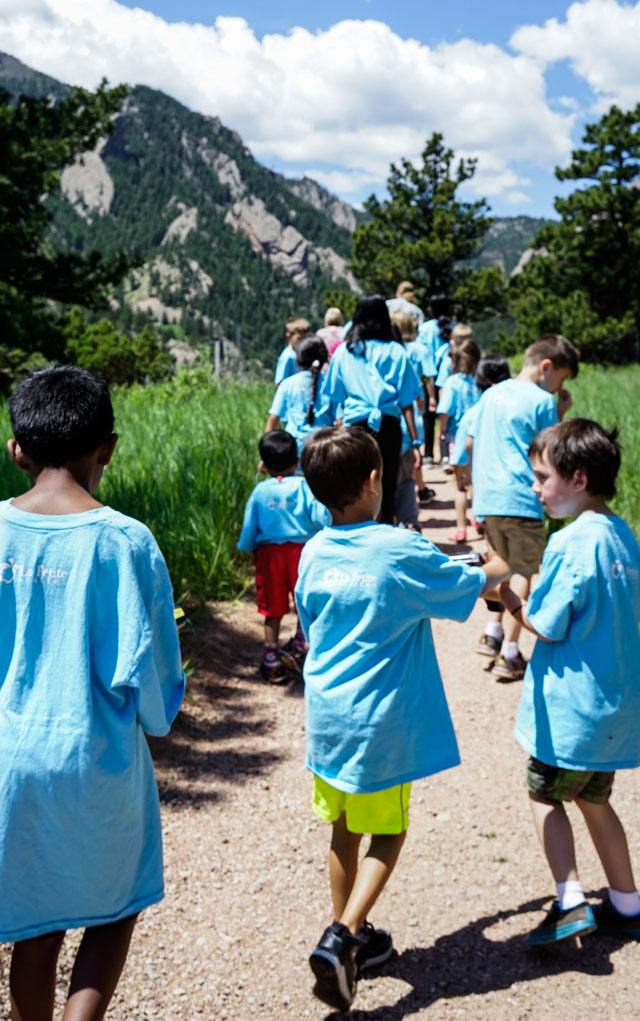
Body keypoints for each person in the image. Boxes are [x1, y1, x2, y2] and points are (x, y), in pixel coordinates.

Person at [296, 426, 510, 1011]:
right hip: (379, 725)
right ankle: (341, 938)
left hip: (329, 719)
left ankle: (355, 937)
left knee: (343, 830)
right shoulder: (397, 547)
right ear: (374, 480)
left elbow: (310, 627)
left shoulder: (313, 550)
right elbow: (469, 581)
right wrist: (499, 565)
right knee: (388, 831)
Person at [0, 366, 186, 1018]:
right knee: (117, 903)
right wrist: (159, 712)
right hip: (94, 760)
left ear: (15, 448)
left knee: (33, 918)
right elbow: (157, 688)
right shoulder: (126, 541)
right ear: (107, 445)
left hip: (8, 766)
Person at [499, 418, 640, 945]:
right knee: (595, 800)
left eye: (542, 478)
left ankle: (571, 898)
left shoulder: (569, 543)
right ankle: (627, 902)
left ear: (578, 479)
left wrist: (509, 599)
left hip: (570, 712)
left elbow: (548, 624)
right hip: (614, 709)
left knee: (544, 796)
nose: (536, 489)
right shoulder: (624, 535)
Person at [469, 335, 579, 681]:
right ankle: (511, 653)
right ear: (547, 367)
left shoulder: (491, 394)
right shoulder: (541, 400)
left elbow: (471, 442)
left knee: (500, 566)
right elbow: (551, 450)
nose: (559, 387)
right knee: (522, 571)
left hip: (489, 498)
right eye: (560, 378)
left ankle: (493, 632)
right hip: (521, 499)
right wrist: (560, 413)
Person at [237, 430, 330, 683]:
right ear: (297, 462)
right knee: (304, 602)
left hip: (269, 555)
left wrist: (247, 547)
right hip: (302, 552)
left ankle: (272, 660)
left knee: (273, 608)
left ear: (263, 465)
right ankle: (300, 644)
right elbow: (321, 518)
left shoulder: (260, 491)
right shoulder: (304, 486)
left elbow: (249, 527)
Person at [324, 294, 421, 524]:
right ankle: (385, 531)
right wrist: (415, 442)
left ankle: (359, 532)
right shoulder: (397, 351)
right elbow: (407, 401)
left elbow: (336, 394)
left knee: (355, 486)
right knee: (386, 487)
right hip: (389, 426)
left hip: (355, 427)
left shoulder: (344, 352)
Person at [436, 338, 481, 540]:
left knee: (460, 485)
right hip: (477, 437)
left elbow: (445, 410)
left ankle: (461, 528)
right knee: (474, 481)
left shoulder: (452, 383)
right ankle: (478, 518)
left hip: (459, 437)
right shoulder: (476, 384)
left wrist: (441, 430)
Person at [265, 335, 335, 458]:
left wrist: (267, 455)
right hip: (324, 451)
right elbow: (339, 421)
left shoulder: (287, 384)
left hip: (294, 452)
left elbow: (273, 419)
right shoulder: (331, 385)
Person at [274, 316, 312, 386]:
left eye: (306, 338)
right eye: (299, 338)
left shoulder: (302, 353)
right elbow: (279, 384)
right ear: (288, 336)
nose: (303, 341)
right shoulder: (287, 357)